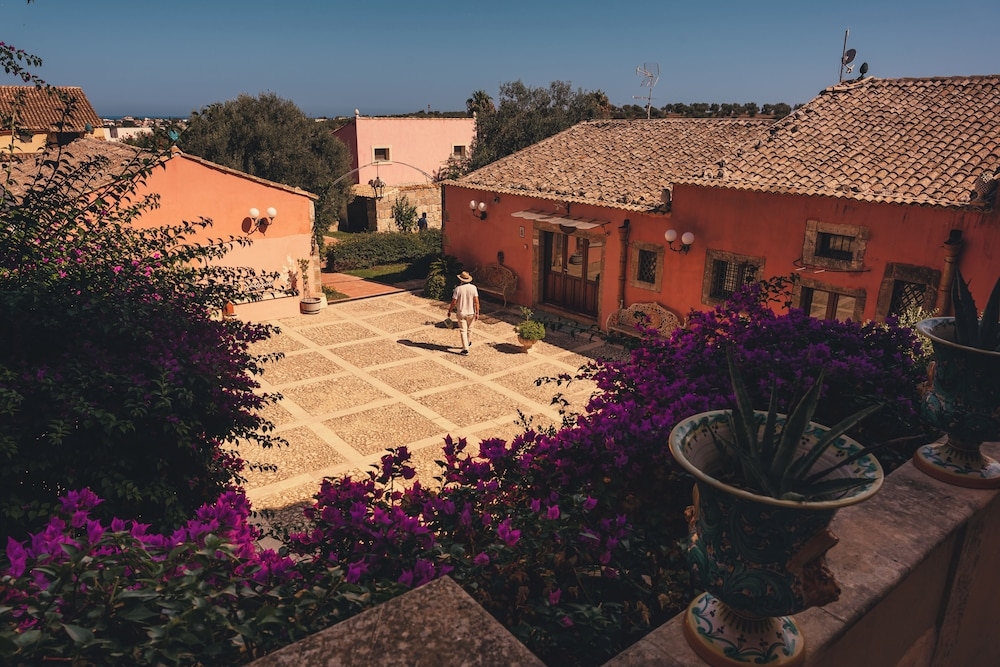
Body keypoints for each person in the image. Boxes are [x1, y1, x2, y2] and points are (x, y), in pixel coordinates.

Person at [447, 271, 479, 355]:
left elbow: (454, 302)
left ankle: (465, 348)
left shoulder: (458, 289)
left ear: (461, 280)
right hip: (471, 312)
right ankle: (467, 343)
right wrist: (477, 312)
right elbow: (476, 302)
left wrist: (450, 310)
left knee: (463, 330)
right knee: (470, 329)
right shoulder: (473, 288)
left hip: (461, 312)